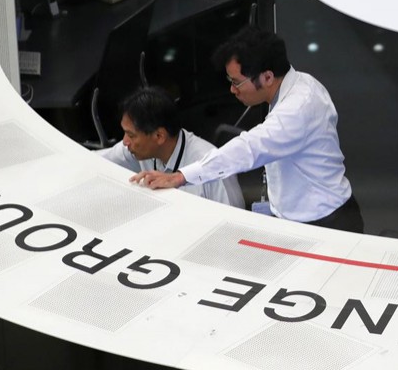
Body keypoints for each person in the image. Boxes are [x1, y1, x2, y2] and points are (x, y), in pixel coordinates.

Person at [132, 26, 363, 233]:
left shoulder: (298, 109)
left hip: (325, 225)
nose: (233, 90)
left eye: (236, 82)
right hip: (301, 219)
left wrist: (181, 176)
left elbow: (249, 148)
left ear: (268, 77)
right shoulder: (302, 82)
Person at [98, 86, 244, 208]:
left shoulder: (212, 167)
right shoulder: (137, 150)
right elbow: (91, 159)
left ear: (159, 136)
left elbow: (237, 225)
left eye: (131, 135)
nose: (125, 142)